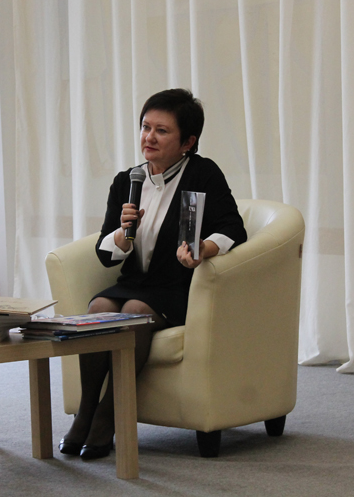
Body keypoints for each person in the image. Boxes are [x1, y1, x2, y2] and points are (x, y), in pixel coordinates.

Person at [59, 88, 247, 460]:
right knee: (97, 309)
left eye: (162, 131)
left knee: (133, 311)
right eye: (146, 127)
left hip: (178, 285)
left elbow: (233, 228)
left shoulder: (203, 174)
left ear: (188, 142)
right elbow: (105, 254)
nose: (149, 137)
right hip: (136, 281)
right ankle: (86, 409)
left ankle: (108, 415)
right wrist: (122, 233)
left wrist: (203, 249)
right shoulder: (127, 181)